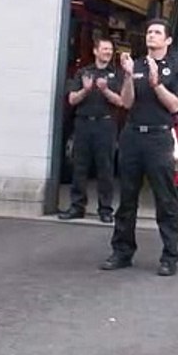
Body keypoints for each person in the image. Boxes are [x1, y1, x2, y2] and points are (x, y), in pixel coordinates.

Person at [102, 19, 178, 276]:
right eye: (149, 32)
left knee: (165, 200)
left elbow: (175, 106)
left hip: (159, 139)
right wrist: (128, 76)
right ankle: (122, 252)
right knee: (127, 198)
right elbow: (126, 103)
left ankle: (169, 256)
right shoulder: (134, 65)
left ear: (168, 40)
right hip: (132, 136)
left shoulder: (176, 67)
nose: (152, 36)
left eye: (158, 32)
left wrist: (156, 83)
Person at [60, 38, 125, 224]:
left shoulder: (116, 74)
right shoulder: (83, 73)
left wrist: (105, 90)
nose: (108, 52)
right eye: (104, 49)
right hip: (83, 124)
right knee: (79, 167)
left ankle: (105, 210)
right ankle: (76, 207)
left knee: (105, 168)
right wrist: (86, 90)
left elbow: (121, 102)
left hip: (106, 125)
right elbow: (72, 100)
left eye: (110, 49)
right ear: (95, 51)